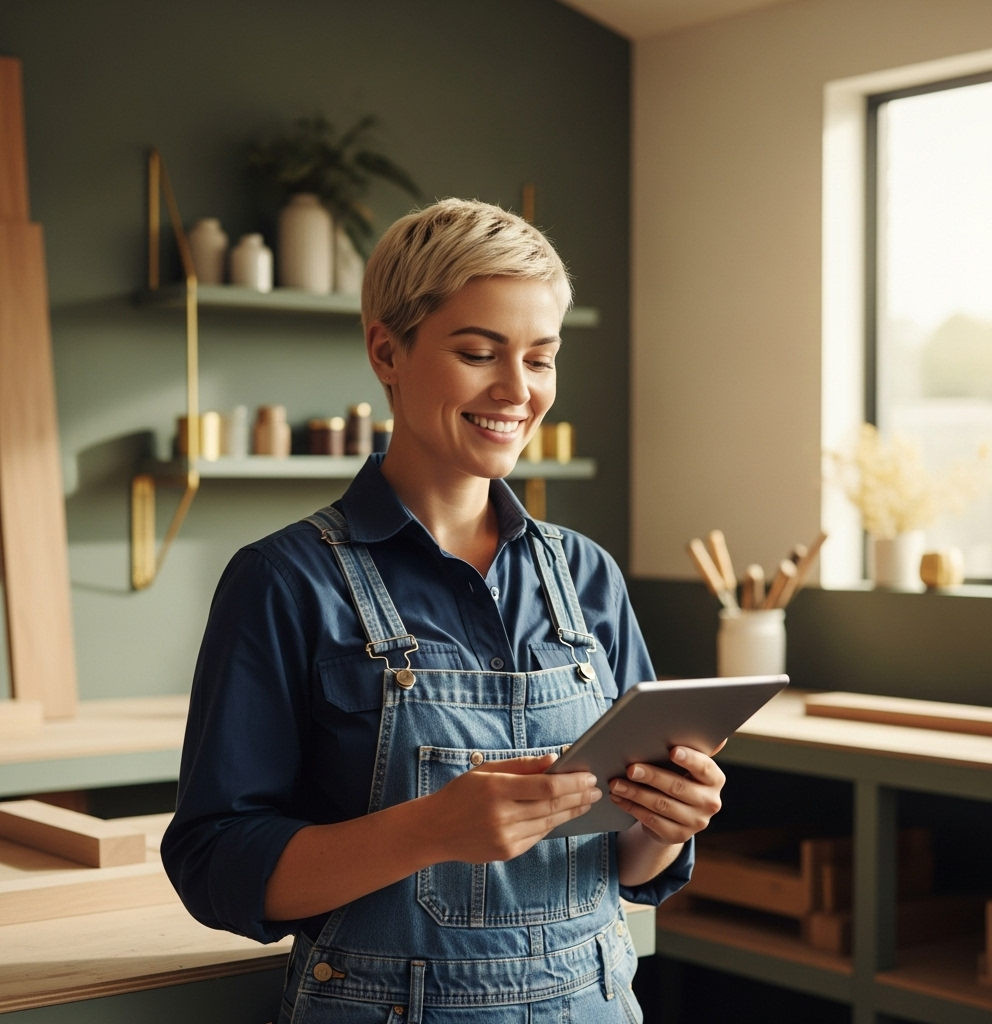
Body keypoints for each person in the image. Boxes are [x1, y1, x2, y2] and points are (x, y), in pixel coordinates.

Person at [162, 198, 725, 1023]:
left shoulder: (587, 577)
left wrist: (668, 824)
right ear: (386, 349)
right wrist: (430, 830)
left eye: (542, 358)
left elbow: (630, 867)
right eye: (477, 352)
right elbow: (216, 865)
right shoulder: (281, 581)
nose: (517, 390)